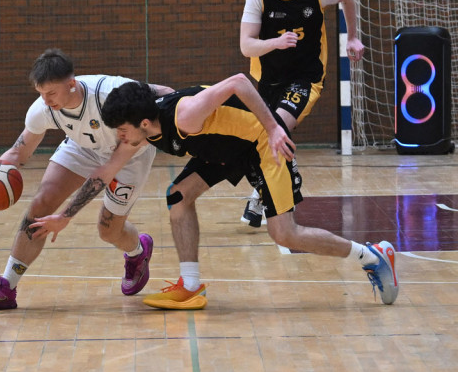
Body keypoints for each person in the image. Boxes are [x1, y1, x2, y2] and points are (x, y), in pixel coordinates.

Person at [100, 74, 398, 310]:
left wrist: (273, 129)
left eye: (122, 130)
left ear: (143, 122)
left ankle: (372, 257)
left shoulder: (184, 117)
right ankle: (190, 284)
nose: (120, 137)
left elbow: (239, 82)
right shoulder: (148, 123)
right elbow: (159, 90)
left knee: (284, 234)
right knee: (179, 195)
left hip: (263, 143)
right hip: (225, 148)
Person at [0, 48, 169, 311]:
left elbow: (164, 92)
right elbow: (17, 153)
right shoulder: (42, 109)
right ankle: (6, 288)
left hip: (127, 153)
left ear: (72, 84)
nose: (46, 101)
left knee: (108, 231)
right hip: (83, 147)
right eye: (41, 94)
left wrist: (66, 216)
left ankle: (138, 251)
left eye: (51, 93)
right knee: (42, 203)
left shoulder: (108, 91)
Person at [238, 0, 365, 227]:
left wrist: (353, 36)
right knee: (254, 139)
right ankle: (274, 178)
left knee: (278, 129)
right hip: (269, 79)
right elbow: (246, 46)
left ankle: (260, 197)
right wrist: (277, 43)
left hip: (306, 78)